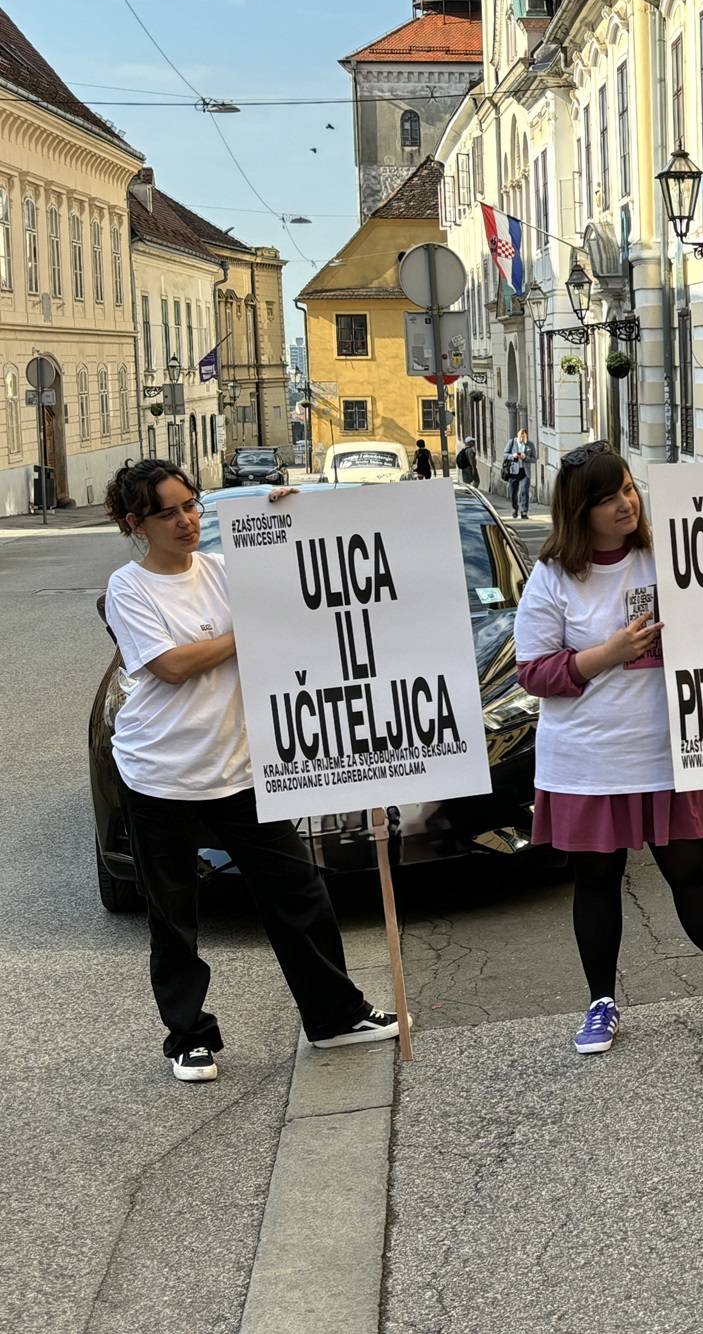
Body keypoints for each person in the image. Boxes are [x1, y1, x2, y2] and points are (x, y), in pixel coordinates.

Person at [513, 442, 703, 1055]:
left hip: (664, 750)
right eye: (607, 498)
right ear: (579, 511)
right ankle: (600, 1003)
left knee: (692, 872)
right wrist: (611, 654)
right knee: (597, 880)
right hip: (587, 757)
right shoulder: (553, 579)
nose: (625, 504)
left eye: (628, 488)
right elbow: (533, 674)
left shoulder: (667, 553)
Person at [101, 459, 406, 1083]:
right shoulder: (129, 587)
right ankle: (189, 1037)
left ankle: (333, 1017)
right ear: (137, 523)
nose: (188, 520)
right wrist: (253, 634)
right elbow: (171, 666)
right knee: (175, 916)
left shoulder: (218, 571)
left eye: (192, 505)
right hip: (161, 775)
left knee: (299, 894)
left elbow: (294, 581)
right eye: (169, 512)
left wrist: (294, 516)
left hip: (240, 771)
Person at [502, 428, 535, 519]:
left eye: (524, 437)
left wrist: (526, 457)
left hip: (525, 471)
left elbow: (534, 459)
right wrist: (513, 456)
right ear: (518, 435)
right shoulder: (512, 442)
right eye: (521, 437)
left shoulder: (530, 445)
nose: (522, 439)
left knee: (524, 491)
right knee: (513, 492)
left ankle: (524, 511)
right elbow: (505, 454)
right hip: (514, 471)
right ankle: (515, 509)